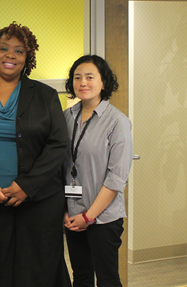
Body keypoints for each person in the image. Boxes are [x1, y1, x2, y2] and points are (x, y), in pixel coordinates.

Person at [0, 22, 71, 287]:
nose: (11, 55)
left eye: (19, 51)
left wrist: (26, 186)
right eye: (4, 48)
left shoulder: (45, 95)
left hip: (39, 203)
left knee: (38, 271)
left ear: (27, 58)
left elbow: (58, 144)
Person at [63, 55, 133, 287]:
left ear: (103, 83)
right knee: (81, 278)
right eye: (77, 77)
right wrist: (67, 211)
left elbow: (116, 179)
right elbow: (61, 166)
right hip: (73, 214)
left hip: (102, 218)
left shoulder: (117, 122)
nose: (83, 82)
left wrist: (88, 217)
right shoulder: (67, 117)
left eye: (90, 77)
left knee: (107, 280)